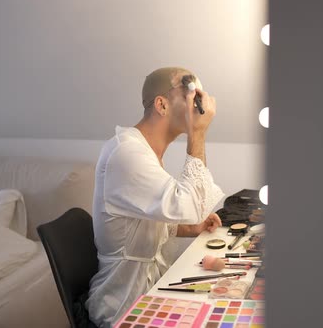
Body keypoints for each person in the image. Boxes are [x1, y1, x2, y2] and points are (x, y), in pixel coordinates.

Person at [85, 67, 225, 328]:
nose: (198, 105)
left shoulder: (144, 151)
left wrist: (187, 228)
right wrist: (199, 133)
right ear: (161, 104)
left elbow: (142, 219)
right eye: (192, 95)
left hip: (151, 295)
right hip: (123, 311)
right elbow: (192, 205)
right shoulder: (126, 154)